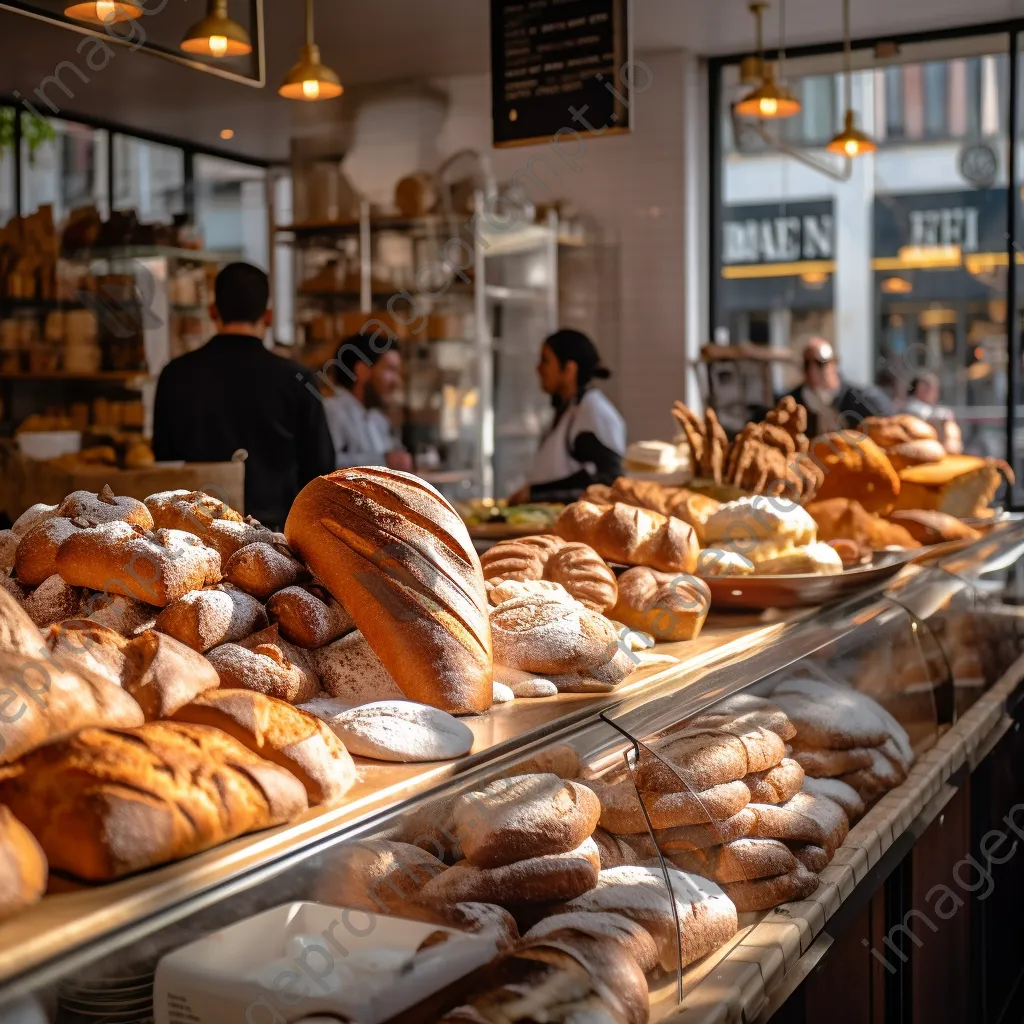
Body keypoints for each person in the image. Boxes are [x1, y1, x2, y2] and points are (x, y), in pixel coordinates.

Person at [152, 262, 335, 530]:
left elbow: (164, 461)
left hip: (195, 536)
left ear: (212, 312)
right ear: (268, 316)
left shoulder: (175, 375)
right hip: (276, 537)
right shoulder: (297, 379)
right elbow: (321, 470)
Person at [510, 329, 626, 504]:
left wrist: (536, 494)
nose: (538, 369)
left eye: (545, 361)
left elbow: (608, 482)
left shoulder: (592, 411)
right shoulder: (570, 407)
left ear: (569, 369)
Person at [320, 332, 414, 471]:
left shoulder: (378, 419)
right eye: (390, 370)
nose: (397, 382)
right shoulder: (331, 411)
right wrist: (383, 460)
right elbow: (322, 465)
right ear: (362, 371)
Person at [785, 338, 892, 436]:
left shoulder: (863, 399)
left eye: (820, 363)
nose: (813, 371)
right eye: (807, 364)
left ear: (834, 363)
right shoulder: (793, 403)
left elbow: (886, 428)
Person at [904, 372, 963, 453]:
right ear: (919, 388)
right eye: (930, 387)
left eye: (935, 388)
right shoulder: (910, 408)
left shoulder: (936, 409)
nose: (934, 392)